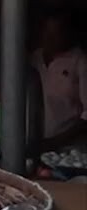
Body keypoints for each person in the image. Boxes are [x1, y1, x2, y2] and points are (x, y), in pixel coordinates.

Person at [30, 12, 87, 151]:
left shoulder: (80, 61)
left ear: (67, 34)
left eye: (56, 33)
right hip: (35, 144)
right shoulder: (34, 59)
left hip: (70, 149)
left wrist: (57, 141)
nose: (50, 38)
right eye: (47, 32)